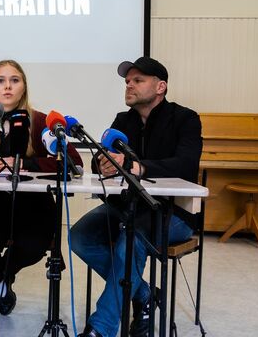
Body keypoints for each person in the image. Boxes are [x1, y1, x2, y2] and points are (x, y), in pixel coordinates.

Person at [70, 57, 202, 337]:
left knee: (131, 240)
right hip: (126, 206)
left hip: (173, 213)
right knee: (80, 236)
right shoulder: (123, 121)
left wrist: (140, 167)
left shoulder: (185, 119)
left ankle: (100, 329)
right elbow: (101, 158)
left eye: (138, 80)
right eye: (127, 81)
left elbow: (186, 164)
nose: (129, 85)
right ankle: (144, 294)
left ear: (160, 87)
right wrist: (103, 164)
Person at [0, 59, 83, 316]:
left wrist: (25, 163)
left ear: (23, 87)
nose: (7, 87)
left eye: (14, 80)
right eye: (0, 81)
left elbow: (74, 162)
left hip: (33, 208)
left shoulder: (40, 121)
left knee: (33, 246)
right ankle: (2, 288)